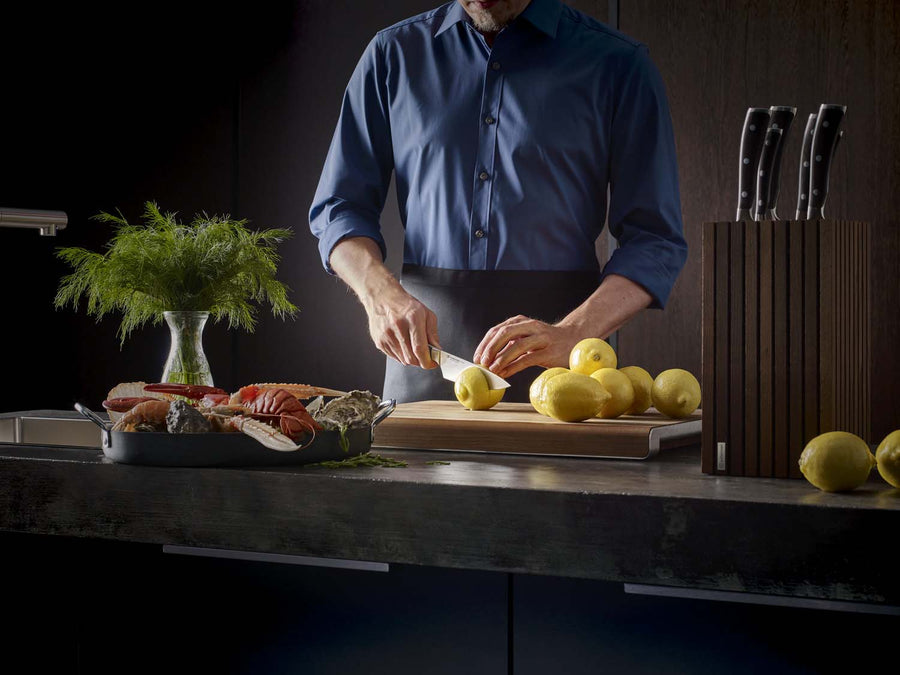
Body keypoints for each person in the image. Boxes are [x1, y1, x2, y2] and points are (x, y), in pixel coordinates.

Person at [309, 0, 687, 403]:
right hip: (422, 362)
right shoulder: (391, 54)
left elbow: (655, 238)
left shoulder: (619, 64)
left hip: (565, 366)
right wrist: (379, 294)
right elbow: (339, 207)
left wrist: (574, 332)